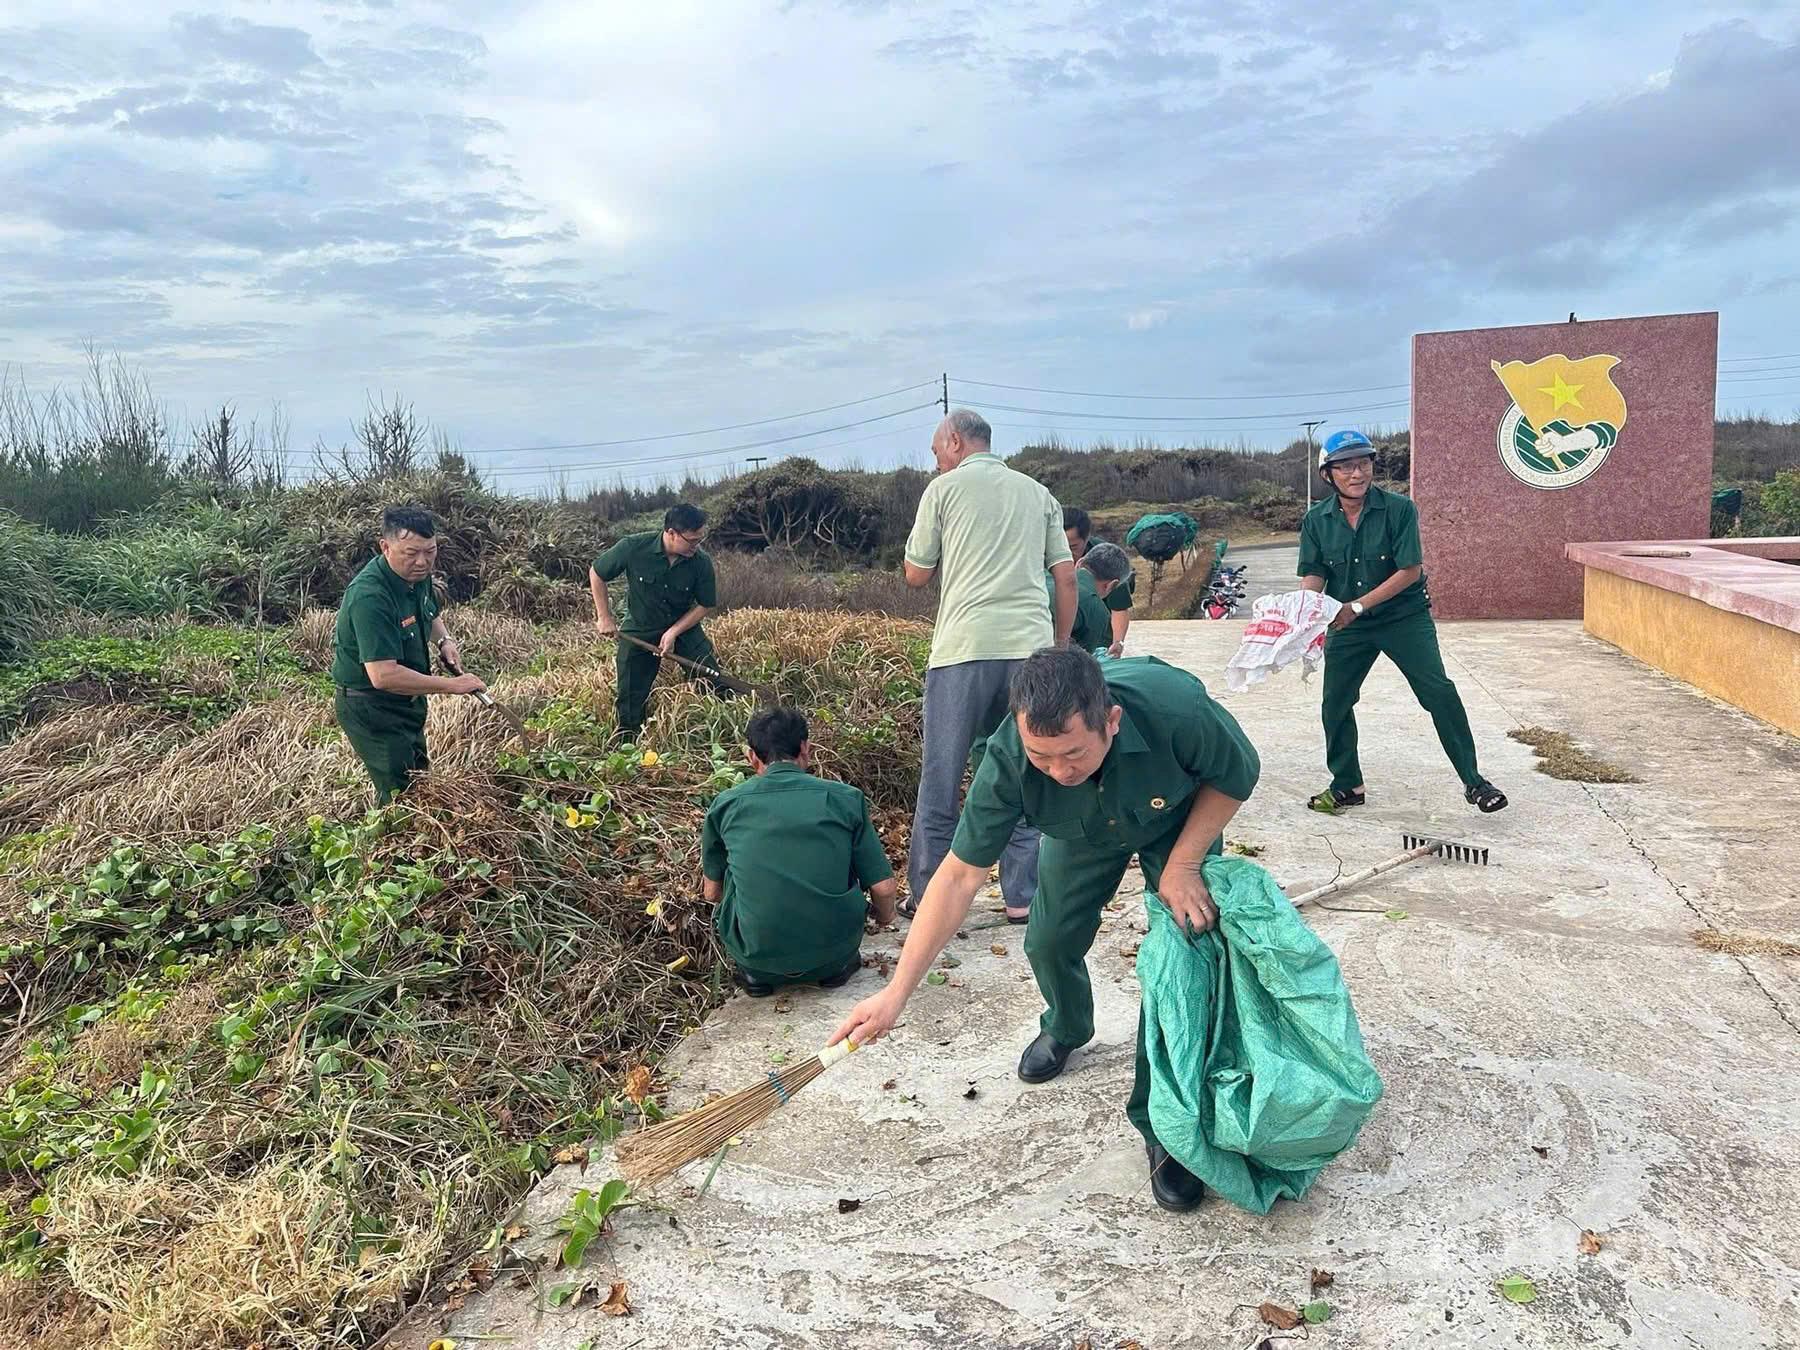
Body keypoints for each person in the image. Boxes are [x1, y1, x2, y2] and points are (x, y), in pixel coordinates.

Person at [833, 646, 1261, 1212]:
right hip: (1080, 833)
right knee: (1048, 940)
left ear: (1111, 721)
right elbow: (960, 876)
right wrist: (895, 994)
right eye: (1042, 757)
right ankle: (1067, 1024)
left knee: (1186, 956)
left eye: (1073, 755)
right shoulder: (1011, 758)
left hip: (1174, 820)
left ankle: (1169, 1124)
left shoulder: (1176, 709)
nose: (1059, 771)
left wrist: (1182, 865)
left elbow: (1238, 772)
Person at [902, 409, 1076, 924]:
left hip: (962, 651)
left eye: (936, 452)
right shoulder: (1037, 492)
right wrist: (1059, 647)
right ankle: (1022, 897)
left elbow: (916, 574)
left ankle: (932, 899)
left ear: (954, 442)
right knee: (1025, 770)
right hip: (1029, 652)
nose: (936, 463)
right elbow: (1065, 579)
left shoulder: (943, 491)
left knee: (942, 776)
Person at [1300, 429, 1508, 813]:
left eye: (1363, 463)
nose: (1357, 473)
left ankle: (1474, 782)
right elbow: (1314, 572)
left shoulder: (1399, 510)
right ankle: (1347, 785)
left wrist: (1356, 606)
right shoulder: (1316, 520)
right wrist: (1305, 610)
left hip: (1403, 617)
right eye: (1345, 467)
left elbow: (1409, 570)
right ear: (1328, 475)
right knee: (1335, 703)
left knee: (1438, 692)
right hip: (1348, 625)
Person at [701, 706, 899, 996]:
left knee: (735, 871)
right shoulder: (844, 798)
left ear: (751, 756)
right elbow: (883, 887)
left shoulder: (726, 805)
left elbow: (712, 894)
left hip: (756, 958)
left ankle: (759, 980)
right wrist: (885, 917)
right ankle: (832, 970)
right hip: (836, 952)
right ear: (806, 748)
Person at [331, 505, 486, 802]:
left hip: (407, 702)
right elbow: (383, 675)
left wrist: (444, 641)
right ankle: (387, 845)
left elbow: (429, 612)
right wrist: (453, 686)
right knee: (399, 796)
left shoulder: (416, 575)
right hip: (372, 707)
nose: (422, 562)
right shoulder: (370, 597)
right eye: (412, 553)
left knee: (418, 781)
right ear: (385, 547)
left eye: (430, 551)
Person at [590, 503, 725, 742]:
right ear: (671, 533)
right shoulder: (633, 547)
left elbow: (705, 604)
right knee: (630, 692)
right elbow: (597, 573)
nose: (697, 546)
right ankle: (629, 743)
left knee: (711, 677)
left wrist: (674, 631)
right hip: (641, 627)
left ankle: (719, 731)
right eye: (692, 540)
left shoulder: (700, 562)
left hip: (683, 627)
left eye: (700, 540)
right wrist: (604, 617)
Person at [1063, 506, 1136, 649]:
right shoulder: (1038, 554)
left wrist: (1117, 643)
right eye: (1059, 546)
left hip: (1093, 632)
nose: (1064, 553)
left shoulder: (1106, 558)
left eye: (1072, 547)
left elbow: (1119, 608)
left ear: (1086, 538)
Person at [1071, 541, 1133, 655]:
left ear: (1079, 563)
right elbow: (1082, 662)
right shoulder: (1097, 611)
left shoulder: (1044, 578)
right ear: (1112, 585)